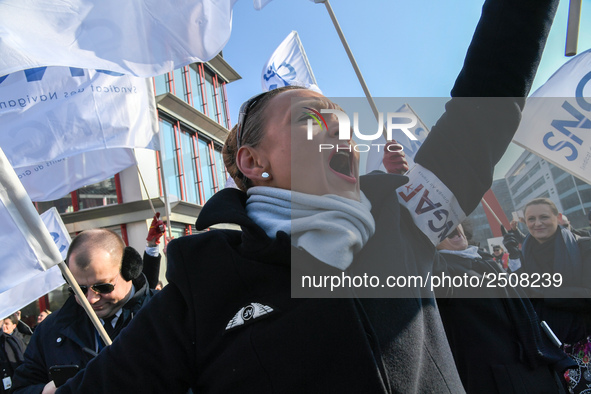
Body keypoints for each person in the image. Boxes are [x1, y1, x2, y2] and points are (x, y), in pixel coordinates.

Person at [53, 1, 558, 393]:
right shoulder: (203, 281)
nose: (336, 126)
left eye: (338, 116)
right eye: (309, 119)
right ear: (253, 162)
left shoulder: (403, 214)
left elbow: (486, 105)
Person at [11, 228, 160, 394]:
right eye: (80, 289)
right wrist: (45, 391)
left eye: (102, 287)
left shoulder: (165, 314)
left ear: (129, 270)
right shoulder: (50, 329)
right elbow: (21, 388)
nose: (91, 299)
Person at [435, 223, 574, 393]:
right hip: (500, 383)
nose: (451, 223)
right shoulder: (440, 272)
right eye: (438, 222)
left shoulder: (483, 258)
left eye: (454, 218)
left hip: (536, 368)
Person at [503, 197, 591, 393]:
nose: (537, 223)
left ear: (558, 217)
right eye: (531, 219)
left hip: (583, 346)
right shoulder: (525, 255)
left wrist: (543, 293)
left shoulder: (584, 247)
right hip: (546, 353)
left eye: (544, 217)